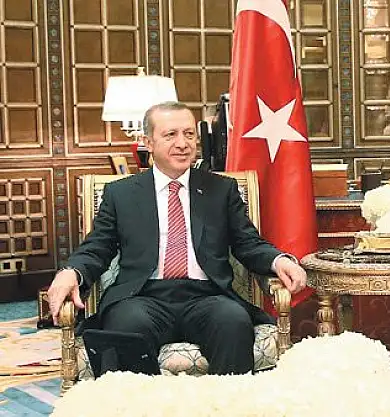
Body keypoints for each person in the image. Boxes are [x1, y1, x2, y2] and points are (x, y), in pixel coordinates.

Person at [47, 101, 308, 375]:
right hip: (143, 296)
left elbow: (248, 243)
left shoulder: (221, 190)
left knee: (232, 321)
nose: (182, 144)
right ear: (148, 142)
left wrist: (279, 261)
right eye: (170, 135)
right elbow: (97, 247)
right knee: (125, 325)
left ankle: (228, 399)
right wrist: (71, 272)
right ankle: (137, 400)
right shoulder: (121, 194)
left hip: (207, 296)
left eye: (189, 134)